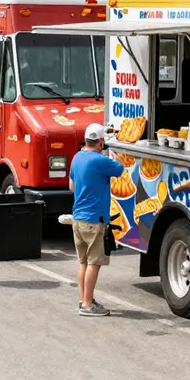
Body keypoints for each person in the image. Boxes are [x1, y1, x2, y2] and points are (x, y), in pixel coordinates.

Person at [68, 124, 124, 316]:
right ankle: (87, 305)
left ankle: (84, 299)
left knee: (83, 262)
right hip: (94, 220)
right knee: (94, 263)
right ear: (101, 142)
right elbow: (119, 169)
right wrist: (113, 154)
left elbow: (72, 186)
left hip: (78, 218)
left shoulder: (77, 158)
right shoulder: (100, 161)